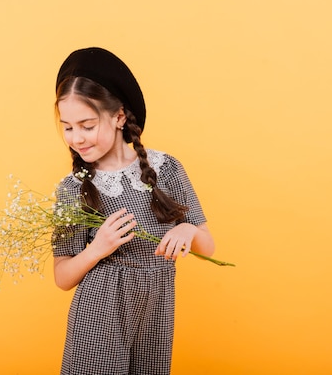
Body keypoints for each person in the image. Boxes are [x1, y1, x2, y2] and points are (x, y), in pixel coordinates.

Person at [52, 47, 215, 375]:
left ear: (119, 117)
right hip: (99, 315)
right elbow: (62, 277)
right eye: (68, 127)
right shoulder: (71, 188)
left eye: (86, 125)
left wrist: (188, 230)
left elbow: (208, 246)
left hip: (155, 311)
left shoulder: (166, 169)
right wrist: (97, 249)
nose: (76, 138)